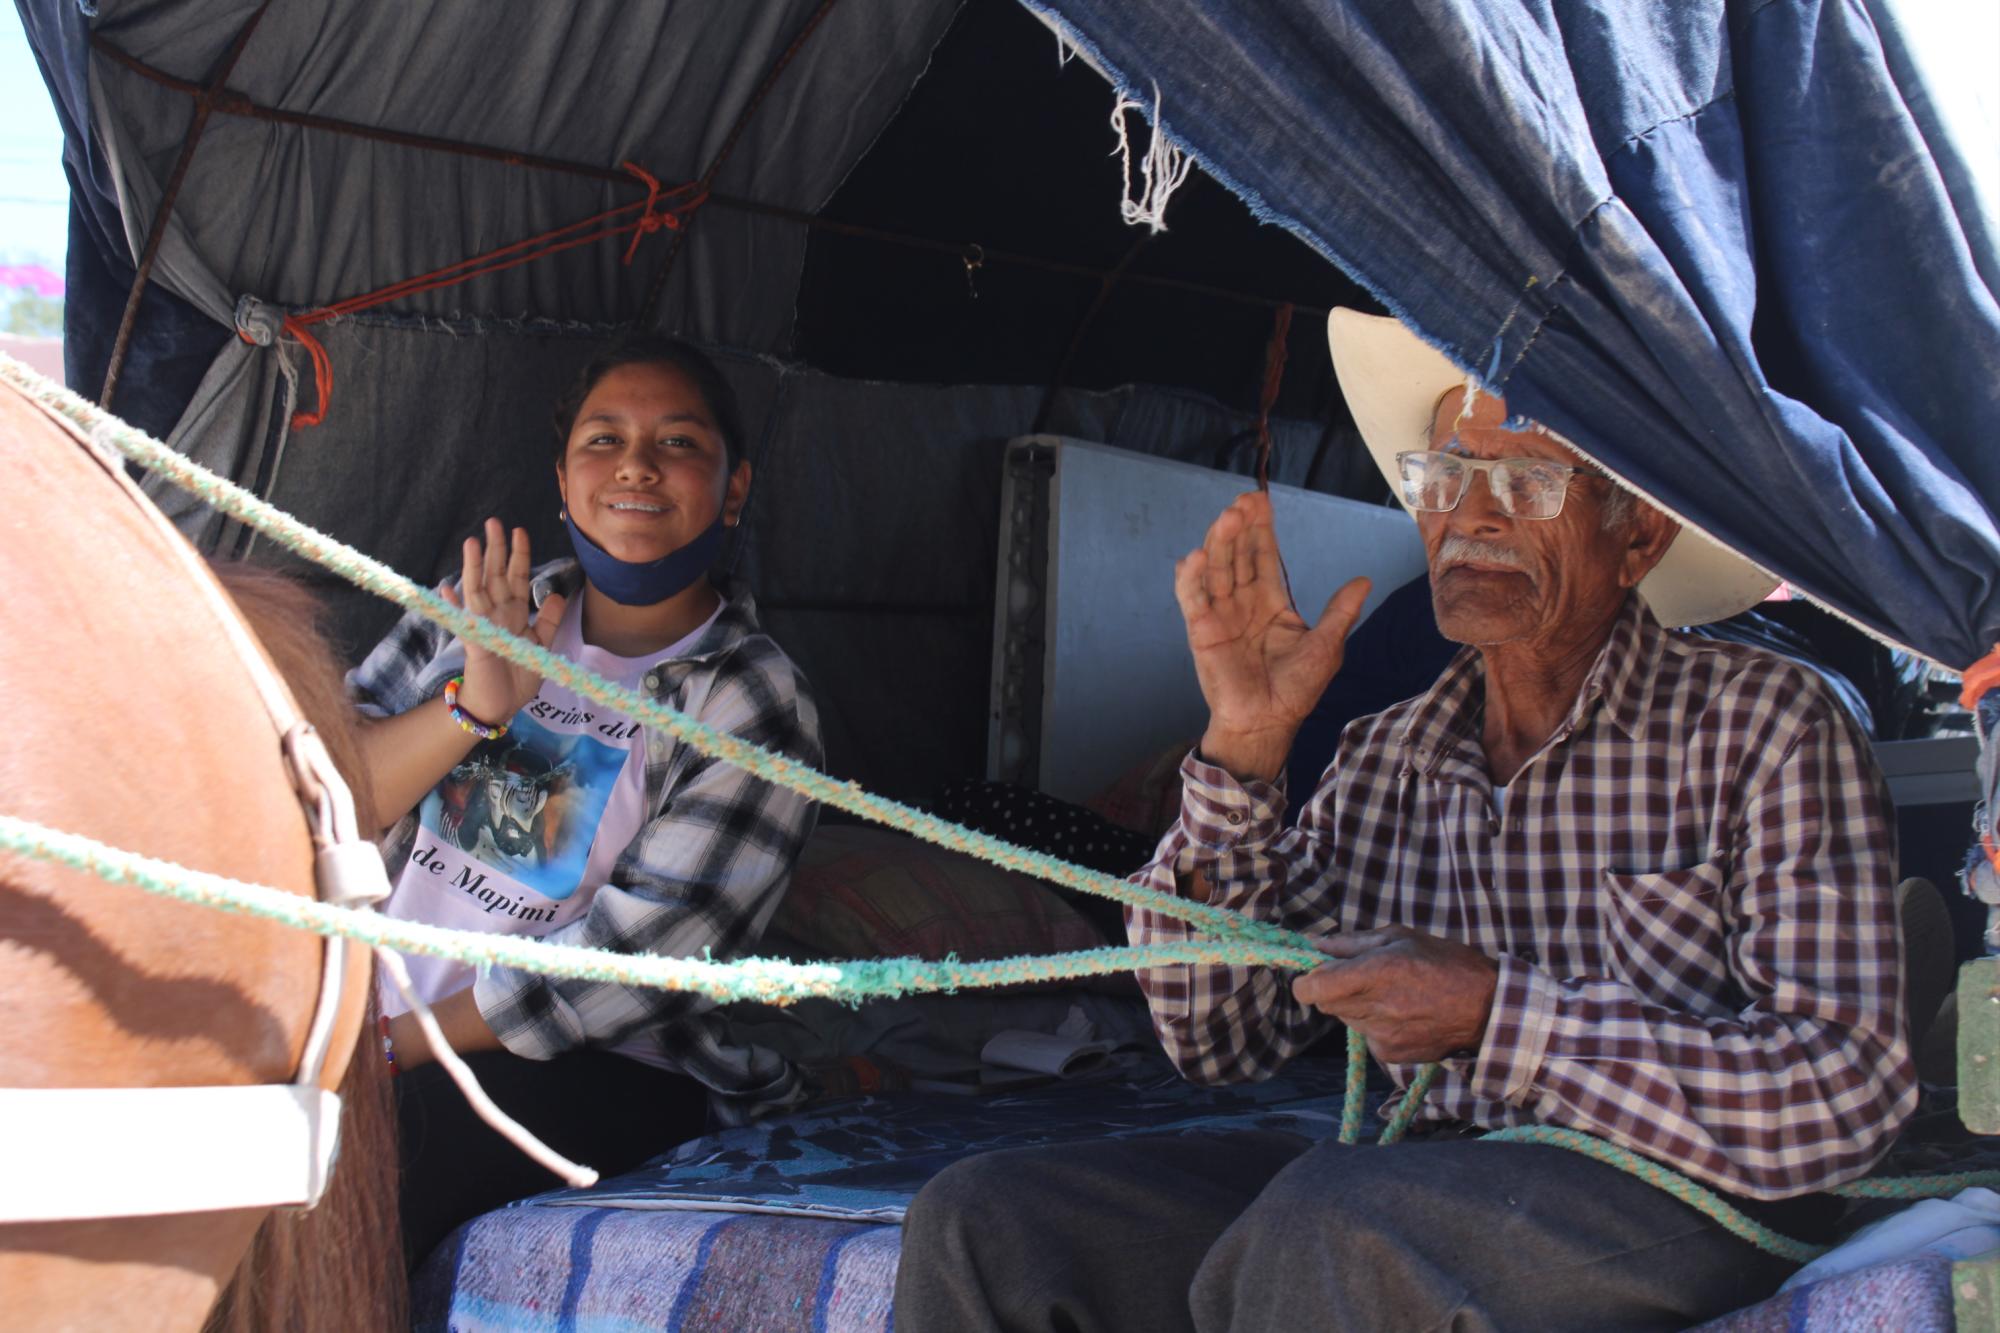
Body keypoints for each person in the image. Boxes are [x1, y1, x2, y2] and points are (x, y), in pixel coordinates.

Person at [894, 309, 1914, 1331]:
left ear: (1635, 535)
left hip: (1673, 1191)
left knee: (1336, 1228)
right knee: (988, 1219)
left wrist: (1495, 1017)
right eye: (1444, 475)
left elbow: (1843, 1094)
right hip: (1414, 1176)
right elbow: (1222, 1040)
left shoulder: (1765, 725)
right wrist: (1242, 746)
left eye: (1524, 482)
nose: (1466, 517)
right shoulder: (1388, 753)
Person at [348, 335, 822, 1266]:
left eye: (679, 442)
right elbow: (324, 796)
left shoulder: (749, 697)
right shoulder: (481, 607)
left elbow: (627, 964)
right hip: (367, 1019)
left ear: (733, 489)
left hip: (596, 1067)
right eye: (603, 440)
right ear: (563, 484)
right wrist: (473, 704)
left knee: (367, 1172)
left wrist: (389, 1051)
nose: (637, 464)